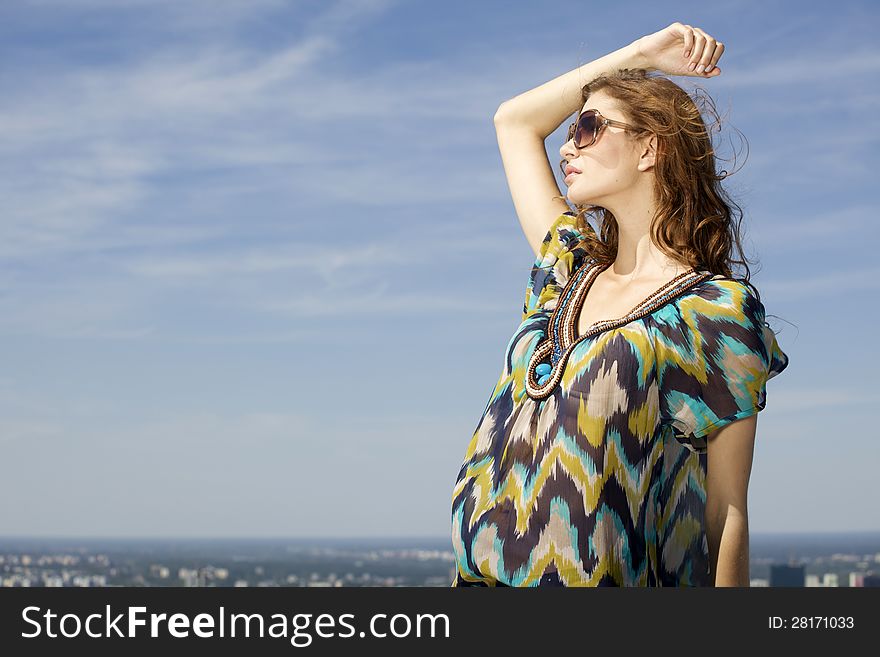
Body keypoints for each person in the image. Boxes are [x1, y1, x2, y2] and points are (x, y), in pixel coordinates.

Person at [450, 22, 789, 587]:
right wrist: (639, 57)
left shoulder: (713, 311)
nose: (566, 145)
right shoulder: (568, 270)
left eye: (588, 128)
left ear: (650, 148)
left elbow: (726, 512)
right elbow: (514, 121)